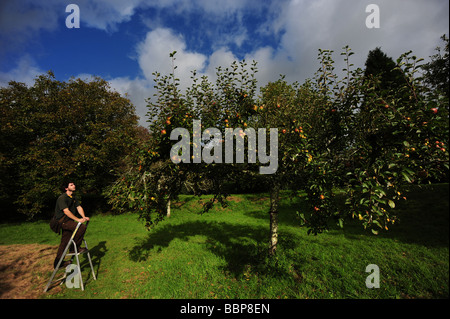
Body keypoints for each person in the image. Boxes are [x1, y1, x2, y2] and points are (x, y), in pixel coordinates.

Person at [52, 180, 90, 269]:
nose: (74, 185)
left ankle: (58, 263)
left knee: (64, 242)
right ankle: (74, 248)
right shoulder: (62, 198)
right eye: (71, 185)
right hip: (62, 221)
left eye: (74, 184)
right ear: (66, 188)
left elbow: (79, 207)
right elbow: (66, 211)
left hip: (69, 221)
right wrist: (78, 220)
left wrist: (84, 217)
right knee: (81, 227)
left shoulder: (73, 197)